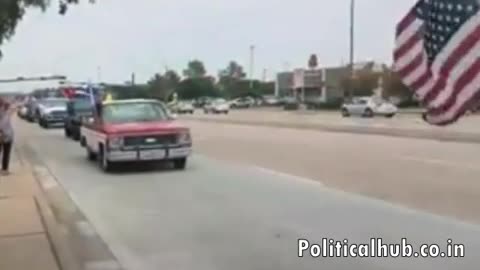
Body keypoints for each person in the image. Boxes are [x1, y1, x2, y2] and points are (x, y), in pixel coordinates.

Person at [0, 100, 16, 175]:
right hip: (7, 135)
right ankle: (4, 170)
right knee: (6, 153)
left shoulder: (6, 113)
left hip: (6, 135)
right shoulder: (6, 112)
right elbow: (13, 107)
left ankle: (4, 170)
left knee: (5, 153)